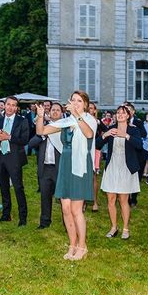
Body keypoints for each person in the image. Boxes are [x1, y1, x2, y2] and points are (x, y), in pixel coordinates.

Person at [36, 90, 97, 260]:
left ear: (85, 104)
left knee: (77, 209)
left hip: (80, 166)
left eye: (79, 101)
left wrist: (77, 114)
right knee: (65, 208)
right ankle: (72, 244)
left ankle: (82, 246)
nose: (76, 103)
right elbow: (41, 131)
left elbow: (89, 134)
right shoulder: (66, 121)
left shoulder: (90, 120)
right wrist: (41, 116)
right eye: (73, 100)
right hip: (65, 164)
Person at [97, 105, 143, 240]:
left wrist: (126, 136)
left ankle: (126, 228)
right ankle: (113, 227)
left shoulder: (133, 130)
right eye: (118, 113)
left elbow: (139, 145)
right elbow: (97, 144)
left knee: (123, 199)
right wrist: (105, 134)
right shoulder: (111, 129)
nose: (120, 115)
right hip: (112, 166)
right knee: (111, 199)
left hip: (126, 167)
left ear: (128, 116)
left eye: (123, 113)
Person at [0, 96, 30, 226]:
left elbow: (25, 140)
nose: (11, 107)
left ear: (16, 107)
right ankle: (6, 215)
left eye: (14, 105)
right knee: (4, 188)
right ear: (4, 105)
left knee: (18, 188)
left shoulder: (22, 121)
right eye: (9, 104)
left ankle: (23, 218)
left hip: (14, 159)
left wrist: (9, 137)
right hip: (0, 158)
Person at [29, 102, 63, 229]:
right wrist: (43, 136)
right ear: (49, 113)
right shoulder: (42, 128)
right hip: (45, 168)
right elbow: (31, 144)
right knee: (45, 196)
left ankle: (67, 223)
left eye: (57, 110)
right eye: (53, 110)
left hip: (60, 167)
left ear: (62, 113)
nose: (55, 112)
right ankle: (44, 222)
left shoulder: (65, 128)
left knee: (63, 198)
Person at [88, 101, 106, 212]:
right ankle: (84, 201)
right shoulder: (82, 120)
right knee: (83, 176)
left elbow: (107, 132)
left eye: (91, 108)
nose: (89, 110)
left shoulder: (98, 122)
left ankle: (94, 202)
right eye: (88, 108)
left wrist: (99, 142)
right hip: (83, 150)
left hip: (94, 150)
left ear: (95, 110)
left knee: (93, 176)